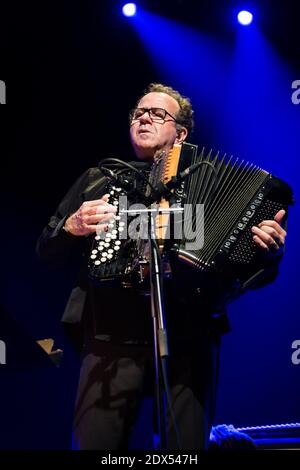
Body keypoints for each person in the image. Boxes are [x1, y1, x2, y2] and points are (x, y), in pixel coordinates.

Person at [36, 83, 287, 450]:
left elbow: (243, 277)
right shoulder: (100, 180)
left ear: (180, 133)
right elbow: (45, 252)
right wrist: (71, 227)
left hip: (189, 338)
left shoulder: (214, 183)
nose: (144, 119)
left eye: (157, 114)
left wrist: (268, 253)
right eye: (138, 113)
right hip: (111, 338)